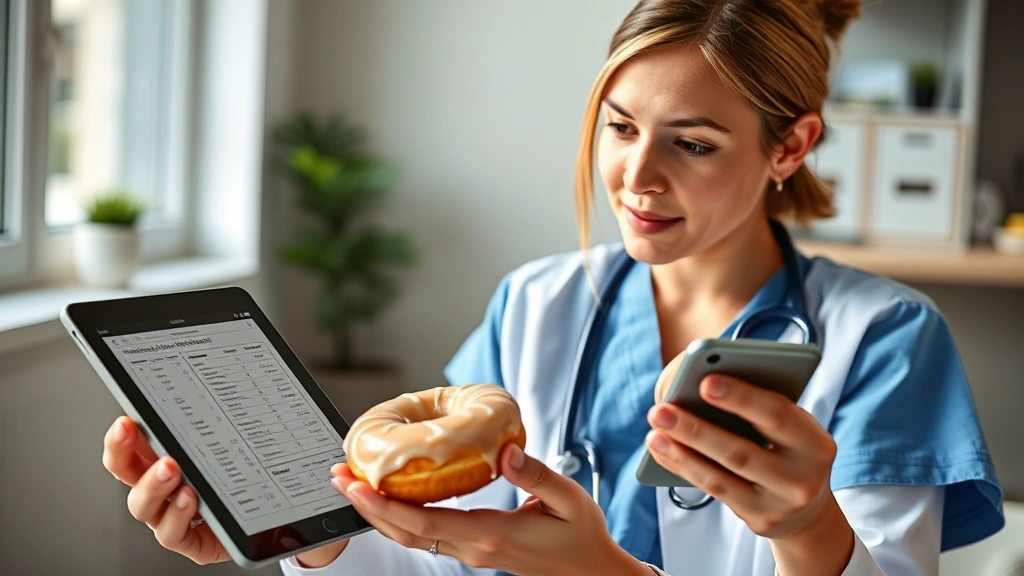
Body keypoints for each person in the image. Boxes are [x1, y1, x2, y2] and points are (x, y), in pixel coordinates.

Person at [100, 0, 1005, 574]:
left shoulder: (883, 337)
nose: (637, 179)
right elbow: (443, 552)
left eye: (693, 144)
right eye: (621, 126)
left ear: (791, 146)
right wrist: (315, 540)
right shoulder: (538, 303)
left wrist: (807, 530)